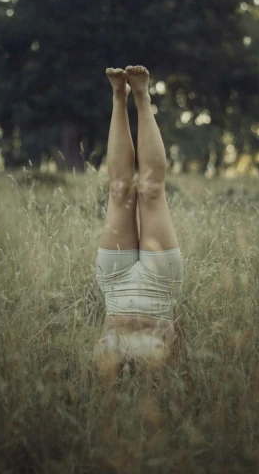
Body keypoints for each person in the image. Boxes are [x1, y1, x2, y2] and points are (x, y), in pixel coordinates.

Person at [93, 65, 184, 377]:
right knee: (151, 191)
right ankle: (142, 96)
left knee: (120, 191)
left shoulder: (102, 385)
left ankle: (120, 96)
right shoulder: (157, 384)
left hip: (116, 286)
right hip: (159, 287)